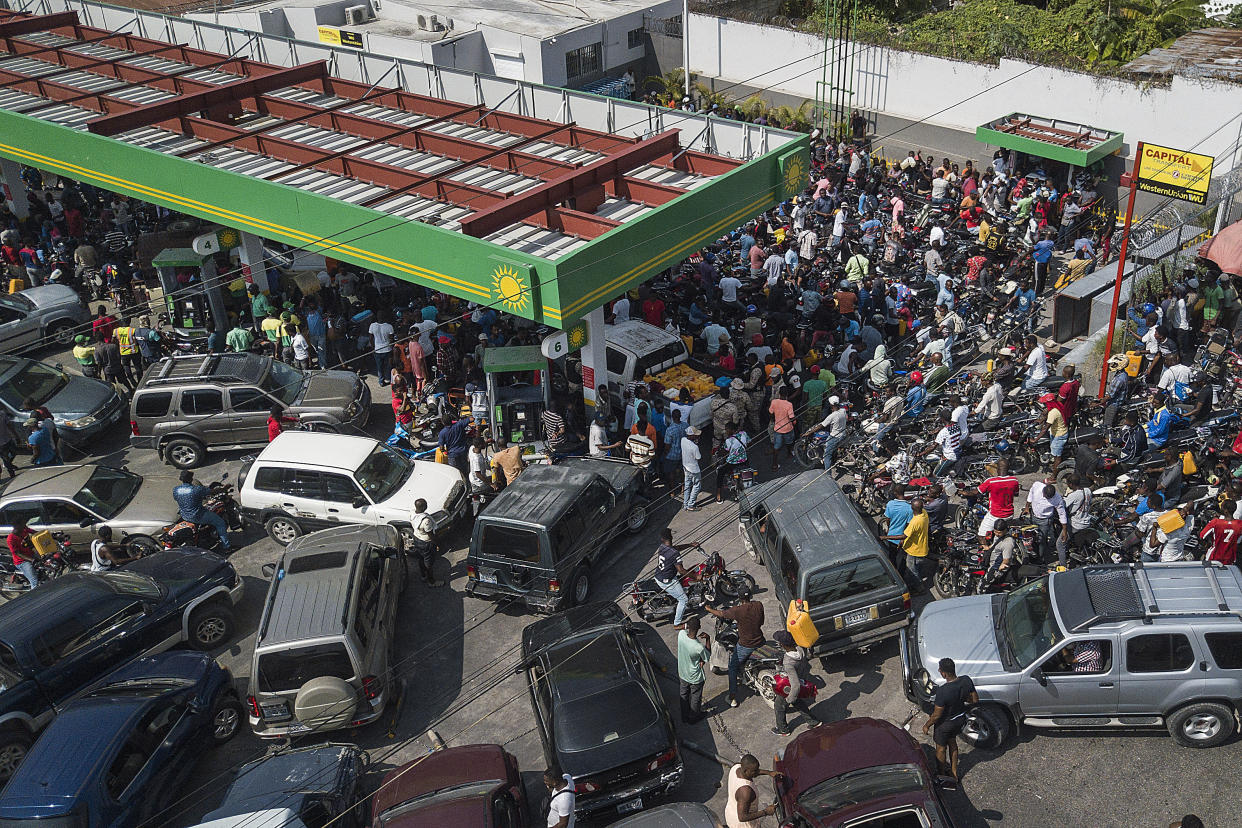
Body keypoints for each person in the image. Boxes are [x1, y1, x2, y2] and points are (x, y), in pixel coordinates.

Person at [704, 586, 764, 708]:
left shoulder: (737, 610)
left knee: (732, 667)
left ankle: (732, 697)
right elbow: (761, 622)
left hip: (746, 645)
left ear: (739, 597)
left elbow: (722, 613)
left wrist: (709, 609)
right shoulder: (759, 605)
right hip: (760, 640)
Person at [922, 657, 978, 780]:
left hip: (945, 725)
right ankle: (954, 773)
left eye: (940, 670)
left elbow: (937, 715)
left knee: (941, 749)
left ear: (944, 673)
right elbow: (974, 700)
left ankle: (941, 775)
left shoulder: (943, 691)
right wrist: (961, 699)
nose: (939, 671)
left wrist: (927, 725)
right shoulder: (966, 680)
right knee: (952, 743)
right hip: (959, 720)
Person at [772, 630, 823, 736]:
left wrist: (790, 698)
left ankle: (783, 729)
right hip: (802, 678)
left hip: (790, 686)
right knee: (798, 703)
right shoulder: (800, 649)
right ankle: (814, 722)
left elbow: (795, 685)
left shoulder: (788, 662)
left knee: (779, 705)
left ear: (782, 645)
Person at [172, 470, 230, 551]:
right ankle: (227, 547)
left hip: (184, 515)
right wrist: (224, 488)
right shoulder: (196, 489)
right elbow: (212, 492)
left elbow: (176, 498)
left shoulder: (176, 490)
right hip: (198, 515)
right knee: (220, 523)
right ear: (191, 479)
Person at [652, 528, 698, 629]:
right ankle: (677, 623)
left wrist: (690, 545)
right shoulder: (674, 553)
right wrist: (695, 576)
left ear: (662, 539)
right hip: (667, 580)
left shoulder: (662, 547)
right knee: (683, 599)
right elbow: (681, 570)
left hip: (659, 575)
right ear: (671, 537)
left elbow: (675, 548)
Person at [724, 755, 782, 828]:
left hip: (731, 813)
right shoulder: (746, 791)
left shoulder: (736, 767)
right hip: (743, 825)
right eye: (754, 771)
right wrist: (766, 812)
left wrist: (769, 772)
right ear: (745, 770)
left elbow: (755, 771)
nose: (757, 772)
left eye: (757, 769)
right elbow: (742, 817)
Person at [1024, 481, 1069, 566]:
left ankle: (1040, 559)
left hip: (1045, 521)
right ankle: (1034, 553)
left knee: (1041, 540)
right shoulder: (1037, 485)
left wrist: (1064, 531)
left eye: (1048, 497)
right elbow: (1031, 493)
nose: (1045, 497)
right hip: (1033, 516)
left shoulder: (1058, 499)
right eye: (1044, 495)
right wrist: (1027, 507)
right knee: (1031, 537)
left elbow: (1062, 515)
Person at [677, 616, 711, 724]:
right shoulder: (698, 647)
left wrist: (686, 625)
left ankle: (684, 717)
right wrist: (708, 639)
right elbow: (707, 656)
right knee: (695, 698)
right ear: (699, 627)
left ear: (688, 626)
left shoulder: (681, 635)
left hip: (682, 673)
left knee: (684, 695)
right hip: (695, 677)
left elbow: (682, 627)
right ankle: (693, 717)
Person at [976, 460, 1019, 538]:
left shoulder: (990, 481)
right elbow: (1016, 494)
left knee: (981, 535)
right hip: (1009, 514)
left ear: (997, 468)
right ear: (1008, 468)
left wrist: (962, 492)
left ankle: (986, 547)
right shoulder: (1014, 480)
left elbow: (976, 492)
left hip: (995, 515)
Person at [409, 498, 444, 586]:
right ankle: (432, 582)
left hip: (417, 539)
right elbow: (430, 534)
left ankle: (423, 576)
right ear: (424, 507)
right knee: (429, 563)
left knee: (421, 558)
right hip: (426, 543)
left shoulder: (412, 514)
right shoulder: (426, 521)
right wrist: (436, 544)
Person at [901, 498, 931, 590]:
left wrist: (885, 537)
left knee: (912, 571)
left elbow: (904, 536)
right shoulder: (924, 513)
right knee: (918, 568)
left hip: (914, 551)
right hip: (923, 549)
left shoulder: (915, 522)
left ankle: (920, 587)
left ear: (912, 508)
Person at [6, 516, 38, 590]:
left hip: (31, 555)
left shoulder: (24, 530)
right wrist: (32, 560)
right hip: (22, 562)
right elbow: (17, 553)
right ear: (17, 526)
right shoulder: (11, 539)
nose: (25, 525)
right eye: (23, 524)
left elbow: (35, 533)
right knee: (34, 582)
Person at [768, 387, 796, 471]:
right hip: (787, 428)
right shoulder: (789, 404)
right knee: (789, 442)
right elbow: (791, 417)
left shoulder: (774, 402)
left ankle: (774, 464)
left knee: (777, 447)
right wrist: (794, 422)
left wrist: (773, 420)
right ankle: (789, 454)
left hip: (778, 428)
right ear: (787, 394)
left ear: (779, 394)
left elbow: (770, 413)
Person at [369, 312, 395, 385]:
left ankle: (381, 381)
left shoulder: (372, 325)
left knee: (379, 366)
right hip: (387, 349)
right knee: (388, 365)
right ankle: (390, 379)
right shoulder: (389, 326)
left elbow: (370, 338)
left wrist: (373, 347)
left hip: (377, 350)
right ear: (385, 317)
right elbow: (391, 339)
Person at [681, 425, 703, 510]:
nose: (697, 436)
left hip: (685, 467)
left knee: (687, 485)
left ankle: (685, 504)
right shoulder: (694, 447)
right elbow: (698, 457)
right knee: (697, 486)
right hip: (694, 469)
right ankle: (691, 504)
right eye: (695, 435)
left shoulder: (683, 440)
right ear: (692, 435)